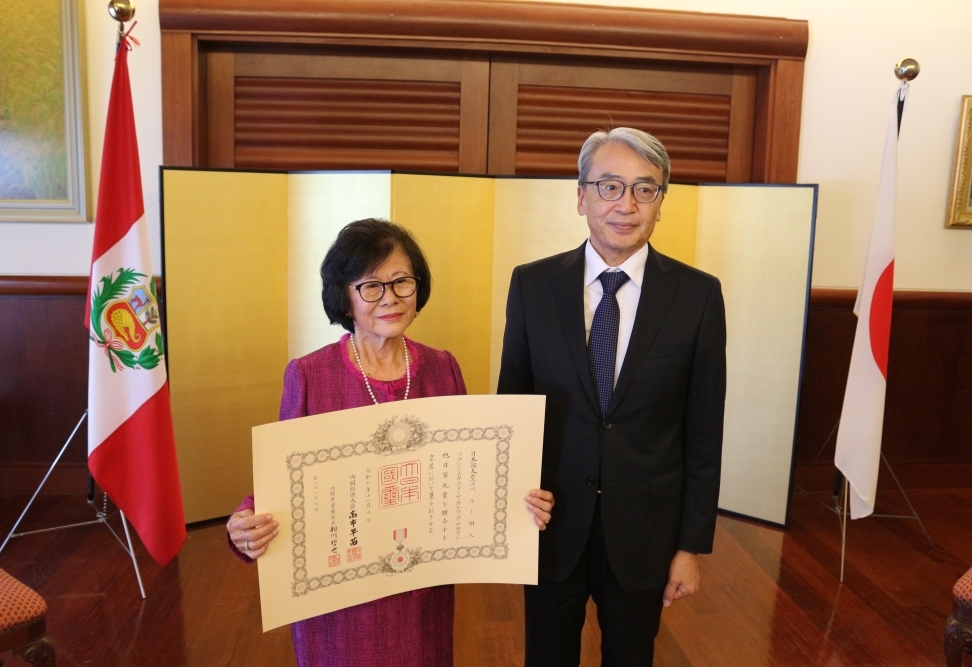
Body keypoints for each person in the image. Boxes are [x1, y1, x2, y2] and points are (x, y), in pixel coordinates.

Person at [225, 218, 554, 667]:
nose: (390, 298)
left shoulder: (443, 368)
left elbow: (466, 473)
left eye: (402, 281)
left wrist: (520, 501)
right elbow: (283, 482)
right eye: (371, 286)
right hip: (340, 589)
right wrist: (246, 523)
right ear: (344, 296)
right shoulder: (309, 375)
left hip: (422, 585)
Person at [497, 128, 726, 667]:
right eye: (610, 186)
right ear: (581, 196)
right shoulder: (532, 285)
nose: (626, 205)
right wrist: (507, 511)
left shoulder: (697, 295)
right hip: (550, 523)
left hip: (645, 531)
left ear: (661, 203)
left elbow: (704, 430)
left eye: (645, 189)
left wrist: (689, 547)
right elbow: (512, 407)